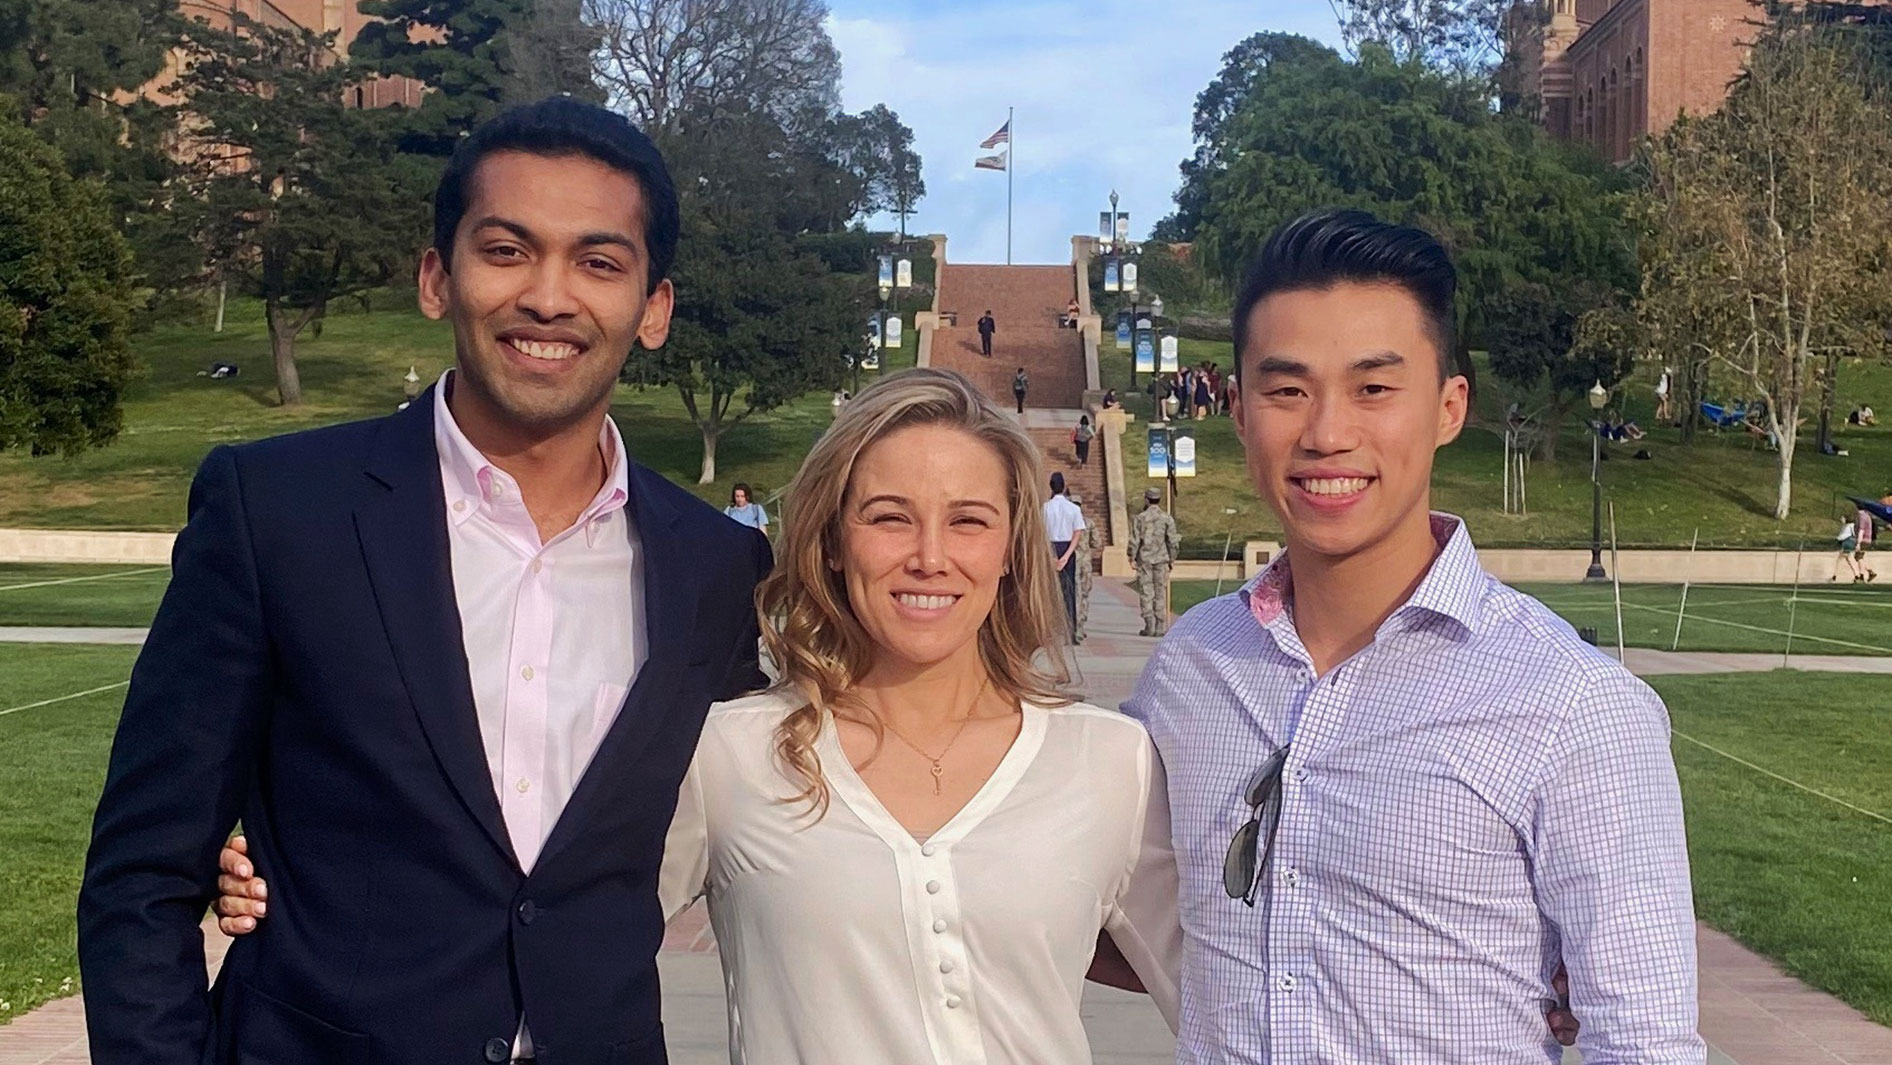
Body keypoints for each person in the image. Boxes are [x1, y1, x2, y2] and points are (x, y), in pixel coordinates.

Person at [77, 97, 774, 1065]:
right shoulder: (276, 512)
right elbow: (140, 879)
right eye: (506, 249)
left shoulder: (717, 566)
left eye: (598, 262)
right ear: (436, 277)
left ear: (653, 308)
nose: (547, 295)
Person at [214, 370, 1183, 1063]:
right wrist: (307, 865)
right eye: (888, 515)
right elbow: (530, 906)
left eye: (967, 520)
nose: (929, 555)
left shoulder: (1108, 764)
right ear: (833, 542)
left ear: (1014, 546)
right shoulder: (732, 752)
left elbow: (1244, 976)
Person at [1123, 210, 1701, 1061]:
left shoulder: (1575, 707)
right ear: (1239, 411)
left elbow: (1644, 1041)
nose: (1326, 432)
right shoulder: (1195, 665)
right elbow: (1088, 889)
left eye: (1374, 388)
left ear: (1448, 406)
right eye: (1288, 390)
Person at [1127, 486, 1179, 638]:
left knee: (1146, 592)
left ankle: (1149, 624)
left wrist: (1131, 557)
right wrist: (1172, 558)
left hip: (1145, 560)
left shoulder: (1140, 518)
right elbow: (1173, 542)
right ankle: (1160, 626)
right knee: (1160, 592)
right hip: (1162, 559)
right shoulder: (1166, 518)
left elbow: (1135, 540)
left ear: (1147, 499)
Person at [1042, 471, 1085, 640]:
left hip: (1051, 547)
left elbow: (1042, 534)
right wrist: (1067, 556)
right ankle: (1070, 631)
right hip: (1067, 547)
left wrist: (1052, 555)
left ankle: (1051, 631)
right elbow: (1077, 533)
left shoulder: (1045, 508)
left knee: (1050, 592)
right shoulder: (1073, 508)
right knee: (1069, 592)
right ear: (1064, 486)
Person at [1071, 493, 1100, 642]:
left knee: (1071, 595)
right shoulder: (1088, 523)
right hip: (1085, 563)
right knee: (1083, 595)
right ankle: (1080, 628)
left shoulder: (1067, 522)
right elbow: (1097, 543)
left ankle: (1072, 627)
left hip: (1070, 562)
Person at [1857, 505, 1878, 582]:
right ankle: (1869, 572)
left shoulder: (1862, 516)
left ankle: (1862, 575)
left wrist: (1858, 542)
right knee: (1859, 557)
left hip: (1864, 539)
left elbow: (1861, 530)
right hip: (1868, 539)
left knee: (1859, 557)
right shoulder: (1867, 516)